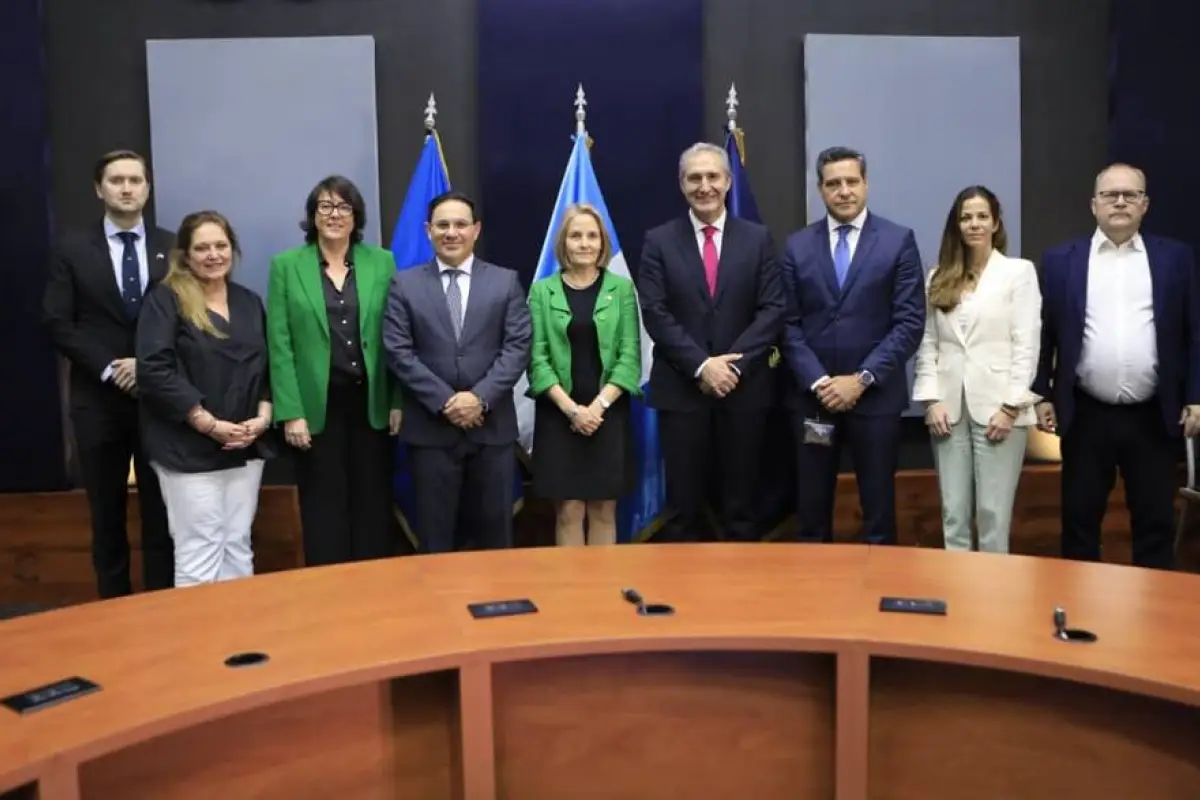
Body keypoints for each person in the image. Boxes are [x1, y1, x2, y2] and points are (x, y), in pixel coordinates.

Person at [1034, 163, 1199, 570]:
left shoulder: (1175, 258)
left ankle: (1153, 628)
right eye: (1110, 195)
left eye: (1130, 194)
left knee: (1155, 524)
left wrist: (1196, 397)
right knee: (1079, 524)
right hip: (1087, 415)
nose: (1120, 202)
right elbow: (1044, 333)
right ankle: (1079, 620)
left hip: (1154, 416)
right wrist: (1041, 393)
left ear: (1145, 204)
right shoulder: (1060, 261)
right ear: (1094, 205)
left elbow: (1194, 330)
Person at [637, 142, 786, 542]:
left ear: (728, 181)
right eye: (694, 178)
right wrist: (703, 366)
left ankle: (740, 600)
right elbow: (655, 312)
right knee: (684, 510)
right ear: (681, 185)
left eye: (712, 176)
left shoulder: (756, 239)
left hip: (744, 392)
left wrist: (731, 367)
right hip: (683, 392)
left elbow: (772, 309)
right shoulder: (659, 241)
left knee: (741, 507)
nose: (704, 186)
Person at [41, 149, 174, 598]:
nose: (126, 188)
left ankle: (163, 608)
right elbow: (58, 322)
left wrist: (146, 366)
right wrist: (109, 368)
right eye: (116, 180)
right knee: (107, 516)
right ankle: (113, 612)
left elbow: (183, 322)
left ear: (147, 189)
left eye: (135, 180)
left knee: (162, 515)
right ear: (99, 189)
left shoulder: (171, 247)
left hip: (158, 401)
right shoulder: (72, 250)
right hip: (98, 402)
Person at [779, 146, 924, 545]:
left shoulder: (897, 241)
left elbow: (909, 323)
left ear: (866, 184)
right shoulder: (796, 247)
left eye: (851, 182)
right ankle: (814, 598)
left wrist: (860, 379)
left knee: (878, 512)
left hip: (875, 401)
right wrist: (820, 382)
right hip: (814, 402)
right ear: (820, 189)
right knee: (811, 513)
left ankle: (876, 598)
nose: (843, 191)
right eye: (833, 184)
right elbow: (787, 325)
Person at [382, 191, 531, 553]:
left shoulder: (505, 282)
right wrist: (447, 402)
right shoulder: (405, 284)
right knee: (435, 540)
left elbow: (517, 347)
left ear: (476, 230)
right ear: (428, 230)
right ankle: (439, 610)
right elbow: (398, 351)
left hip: (491, 430)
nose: (452, 232)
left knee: (495, 538)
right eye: (442, 225)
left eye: (460, 224)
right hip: (431, 431)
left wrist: (479, 399)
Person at [266, 176, 403, 567]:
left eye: (343, 207)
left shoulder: (382, 261)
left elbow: (396, 336)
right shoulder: (287, 266)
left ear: (356, 215)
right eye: (324, 206)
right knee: (323, 502)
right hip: (315, 407)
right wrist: (291, 411)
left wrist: (397, 399)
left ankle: (373, 585)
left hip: (371, 403)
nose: (334, 215)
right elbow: (280, 344)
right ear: (312, 215)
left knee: (373, 500)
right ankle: (328, 590)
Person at [136, 211, 274, 586]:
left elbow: (266, 367)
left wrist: (263, 417)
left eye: (221, 245)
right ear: (185, 255)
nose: (213, 254)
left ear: (233, 250)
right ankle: (198, 645)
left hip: (243, 447)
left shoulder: (248, 301)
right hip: (187, 449)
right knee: (200, 550)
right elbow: (154, 369)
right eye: (202, 248)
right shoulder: (164, 300)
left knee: (237, 545)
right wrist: (207, 423)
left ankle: (238, 640)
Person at [913, 186, 1041, 553]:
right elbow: (928, 343)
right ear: (957, 224)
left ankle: (992, 603)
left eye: (982, 216)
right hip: (948, 411)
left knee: (992, 514)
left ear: (996, 222)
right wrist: (930, 400)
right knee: (953, 514)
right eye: (966, 217)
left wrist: (1011, 406)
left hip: (1000, 410)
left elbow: (1026, 345)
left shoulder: (1018, 273)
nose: (974, 224)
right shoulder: (939, 275)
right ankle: (959, 599)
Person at [527, 204, 642, 546]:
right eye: (576, 235)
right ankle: (572, 598)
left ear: (602, 243)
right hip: (558, 415)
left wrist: (597, 407)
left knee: (605, 510)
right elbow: (537, 359)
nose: (584, 243)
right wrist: (573, 410)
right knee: (568, 511)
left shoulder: (621, 289)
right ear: (564, 242)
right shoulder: (541, 291)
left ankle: (603, 595)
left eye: (592, 235)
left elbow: (629, 357)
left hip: (609, 414)